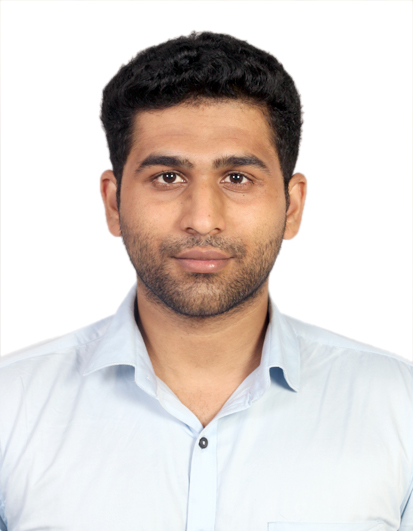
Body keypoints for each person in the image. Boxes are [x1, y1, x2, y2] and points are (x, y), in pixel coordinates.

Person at [0, 31, 411, 531]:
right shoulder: (11, 406)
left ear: (292, 207)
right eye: (168, 177)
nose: (201, 219)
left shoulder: (399, 408)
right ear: (113, 203)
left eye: (237, 178)